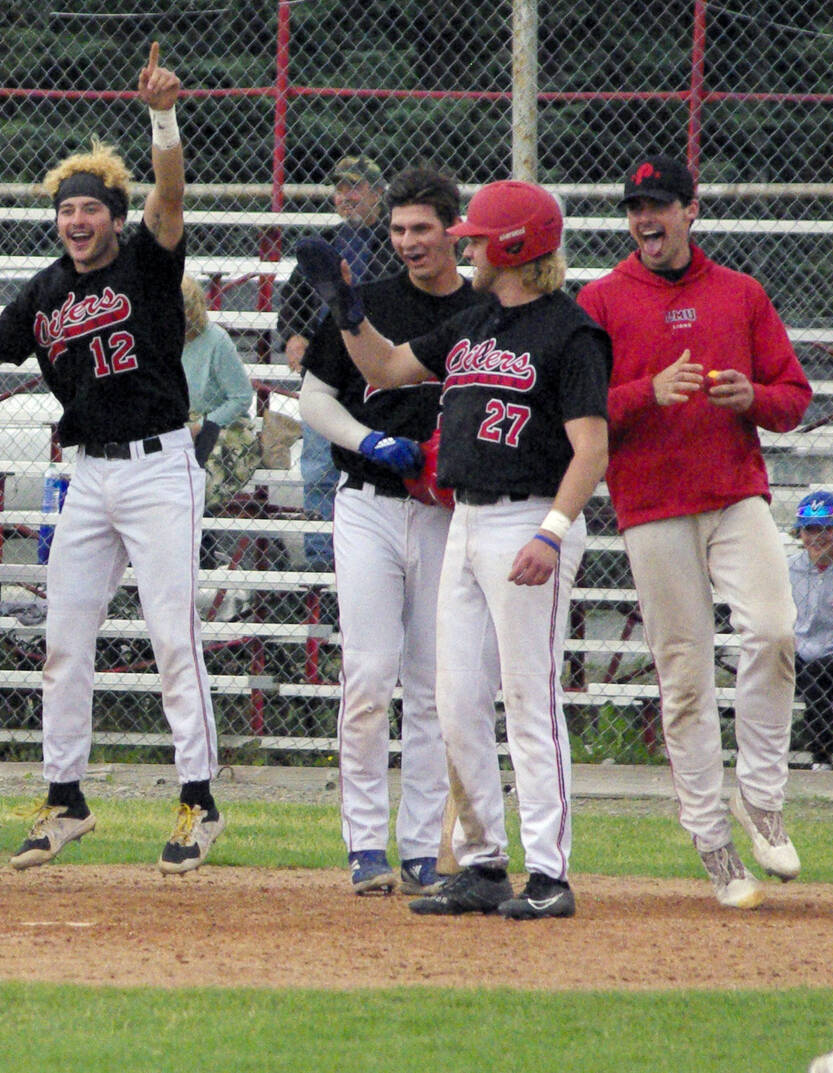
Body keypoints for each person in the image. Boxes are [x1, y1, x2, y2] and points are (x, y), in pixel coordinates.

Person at [0, 45, 224, 874]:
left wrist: (162, 116)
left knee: (174, 638)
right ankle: (65, 798)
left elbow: (170, 192)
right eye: (67, 212)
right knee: (63, 639)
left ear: (115, 220)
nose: (77, 220)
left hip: (162, 466)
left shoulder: (148, 261)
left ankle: (199, 801)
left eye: (90, 210)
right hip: (89, 472)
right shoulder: (47, 290)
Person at [300, 177, 610, 921]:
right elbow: (385, 368)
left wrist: (553, 531)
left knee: (528, 698)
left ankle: (550, 871)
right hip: (465, 521)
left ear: (513, 247)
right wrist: (348, 312)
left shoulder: (569, 332)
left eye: (475, 237)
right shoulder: (475, 324)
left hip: (529, 519)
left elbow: (591, 448)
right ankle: (481, 862)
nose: (464, 245)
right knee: (458, 700)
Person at [576, 153, 811, 909]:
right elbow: (578, 412)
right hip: (651, 504)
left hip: (734, 491)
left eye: (660, 205)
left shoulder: (740, 293)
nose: (647, 220)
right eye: (635, 208)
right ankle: (713, 841)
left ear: (690, 210)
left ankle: (762, 798)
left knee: (774, 631)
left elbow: (792, 396)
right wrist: (650, 390)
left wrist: (755, 396)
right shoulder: (604, 299)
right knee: (684, 674)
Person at [297, 167, 482, 896]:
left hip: (446, 512)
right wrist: (366, 440)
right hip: (369, 503)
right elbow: (313, 398)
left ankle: (419, 847)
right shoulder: (363, 303)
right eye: (399, 230)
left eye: (423, 230)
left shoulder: (479, 308)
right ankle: (364, 842)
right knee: (369, 675)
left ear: (452, 232)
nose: (408, 242)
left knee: (435, 685)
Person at [279, 156, 400, 571]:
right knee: (318, 467)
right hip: (329, 368)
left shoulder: (395, 242)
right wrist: (294, 334)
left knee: (378, 462)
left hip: (379, 367)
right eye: (340, 189)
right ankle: (320, 562)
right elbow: (292, 302)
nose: (346, 197)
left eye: (357, 188)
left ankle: (371, 560)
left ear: (378, 194)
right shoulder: (326, 244)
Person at [791, 492, 833, 771]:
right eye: (810, 529)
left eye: (826, 528)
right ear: (800, 532)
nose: (817, 536)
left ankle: (822, 758)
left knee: (816, 675)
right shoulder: (789, 568)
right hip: (798, 650)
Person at [179, 276, 252, 468]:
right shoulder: (153, 340)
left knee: (201, 475)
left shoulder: (216, 340)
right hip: (174, 428)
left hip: (218, 425)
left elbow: (241, 398)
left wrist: (201, 425)